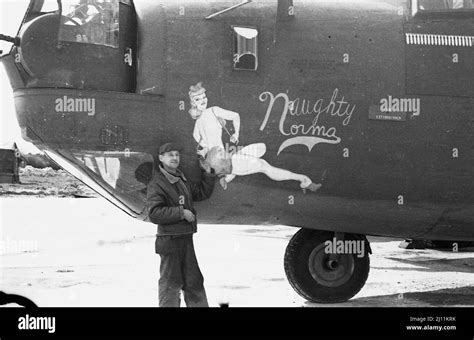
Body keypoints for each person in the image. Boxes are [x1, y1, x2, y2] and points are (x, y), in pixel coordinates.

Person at [146, 142, 215, 307]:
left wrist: (207, 172)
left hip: (184, 238)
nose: (175, 158)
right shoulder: (157, 183)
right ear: (161, 158)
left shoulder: (180, 179)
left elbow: (201, 192)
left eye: (177, 155)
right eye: (170, 155)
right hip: (169, 240)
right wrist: (181, 212)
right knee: (171, 285)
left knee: (194, 282)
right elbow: (154, 213)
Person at [202, 143, 322, 193]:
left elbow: (231, 171)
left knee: (265, 167)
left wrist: (225, 179)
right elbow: (231, 171)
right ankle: (304, 180)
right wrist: (225, 179)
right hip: (238, 164)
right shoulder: (220, 162)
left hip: (238, 163)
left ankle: (304, 180)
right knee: (265, 167)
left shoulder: (224, 160)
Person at [188, 82, 240, 158]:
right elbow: (195, 135)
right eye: (197, 99)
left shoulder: (214, 110)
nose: (202, 101)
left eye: (204, 97)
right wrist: (206, 147)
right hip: (210, 156)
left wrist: (236, 134)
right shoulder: (198, 120)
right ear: (193, 103)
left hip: (220, 153)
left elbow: (235, 116)